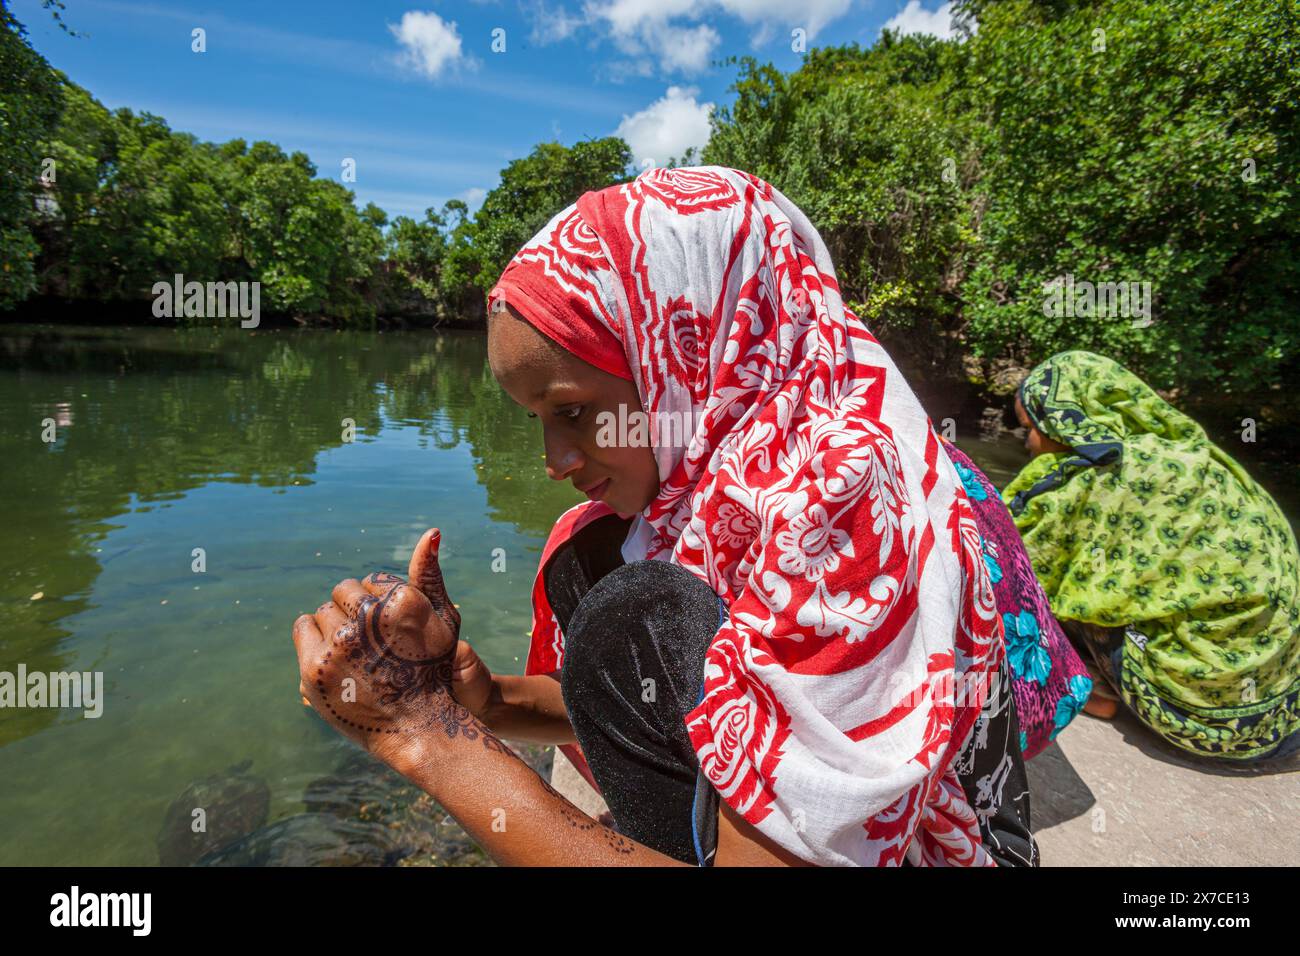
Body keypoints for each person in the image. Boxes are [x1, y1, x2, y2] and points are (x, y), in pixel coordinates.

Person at [292, 165, 1036, 866]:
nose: (554, 461)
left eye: (574, 411)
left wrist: (426, 737)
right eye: (538, 421)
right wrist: (483, 701)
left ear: (683, 352)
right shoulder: (736, 477)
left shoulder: (845, 492)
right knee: (601, 578)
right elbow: (675, 702)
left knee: (632, 609)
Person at [1005, 350, 1300, 762]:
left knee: (1031, 591)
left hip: (1195, 715)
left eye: (1029, 428)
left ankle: (1086, 685)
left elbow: (1002, 555)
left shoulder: (1089, 477)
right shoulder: (1194, 456)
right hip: (1277, 707)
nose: (1028, 443)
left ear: (1065, 417)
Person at [941, 440, 1094, 756]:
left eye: (1029, 429)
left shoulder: (1055, 474)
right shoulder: (954, 454)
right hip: (1052, 705)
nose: (1025, 441)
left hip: (967, 743)